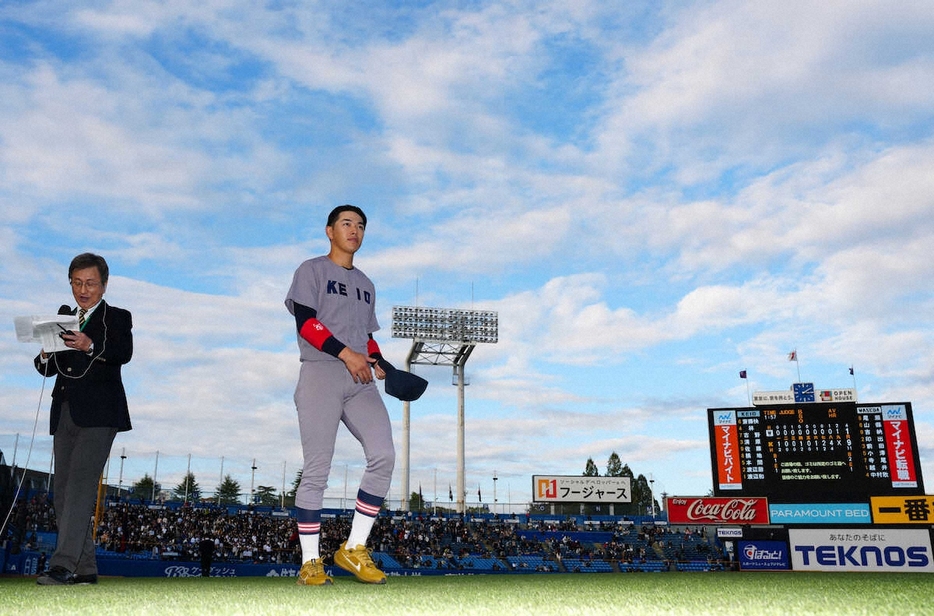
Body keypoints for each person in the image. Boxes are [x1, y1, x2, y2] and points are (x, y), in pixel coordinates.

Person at [285, 205, 394, 586]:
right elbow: (306, 323)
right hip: (321, 372)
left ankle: (353, 548)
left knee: (384, 455)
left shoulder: (366, 283)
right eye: (347, 223)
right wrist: (347, 353)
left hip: (360, 377)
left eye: (361, 225)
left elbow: (365, 336)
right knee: (318, 468)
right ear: (330, 231)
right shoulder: (310, 270)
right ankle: (310, 563)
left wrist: (380, 361)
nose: (355, 230)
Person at [34, 253, 133, 585]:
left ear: (104, 285)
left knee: (78, 488)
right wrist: (46, 352)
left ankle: (63, 565)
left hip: (101, 414)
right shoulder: (61, 316)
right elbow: (46, 369)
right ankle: (86, 567)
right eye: (77, 282)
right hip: (63, 411)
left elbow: (123, 353)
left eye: (90, 283)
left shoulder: (118, 317)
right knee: (61, 492)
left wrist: (90, 345)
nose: (83, 289)